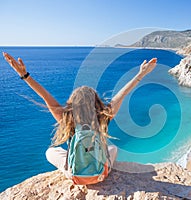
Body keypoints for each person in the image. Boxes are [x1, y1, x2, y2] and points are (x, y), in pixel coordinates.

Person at [2, 52, 157, 180]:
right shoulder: (103, 117)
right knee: (113, 148)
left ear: (72, 103)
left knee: (50, 151)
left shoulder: (66, 118)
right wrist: (141, 74)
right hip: (100, 175)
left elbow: (44, 95)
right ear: (96, 102)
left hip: (75, 176)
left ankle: (67, 171)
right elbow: (122, 94)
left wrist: (24, 75)